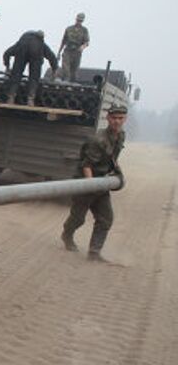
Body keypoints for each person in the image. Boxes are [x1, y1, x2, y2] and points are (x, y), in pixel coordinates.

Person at [61, 104, 127, 262]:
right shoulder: (98, 139)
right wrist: (90, 185)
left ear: (125, 119)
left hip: (102, 183)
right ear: (108, 118)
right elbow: (86, 165)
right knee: (78, 219)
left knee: (106, 219)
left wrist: (117, 171)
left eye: (120, 118)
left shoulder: (121, 135)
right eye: (114, 118)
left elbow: (113, 157)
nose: (117, 122)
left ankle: (94, 252)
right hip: (86, 180)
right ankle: (67, 235)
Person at [3, 30, 58, 106]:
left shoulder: (21, 42)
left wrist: (7, 66)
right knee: (34, 77)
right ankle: (30, 99)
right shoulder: (40, 44)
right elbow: (52, 57)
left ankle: (11, 98)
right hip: (36, 52)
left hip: (21, 51)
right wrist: (54, 69)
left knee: (16, 75)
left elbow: (7, 53)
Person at [58, 13, 90, 82]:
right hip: (68, 50)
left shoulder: (84, 30)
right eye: (78, 20)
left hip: (77, 52)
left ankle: (72, 82)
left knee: (74, 69)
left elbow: (87, 42)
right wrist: (59, 52)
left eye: (80, 20)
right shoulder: (69, 29)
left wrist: (82, 47)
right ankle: (66, 80)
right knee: (65, 67)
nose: (79, 22)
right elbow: (63, 41)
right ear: (76, 19)